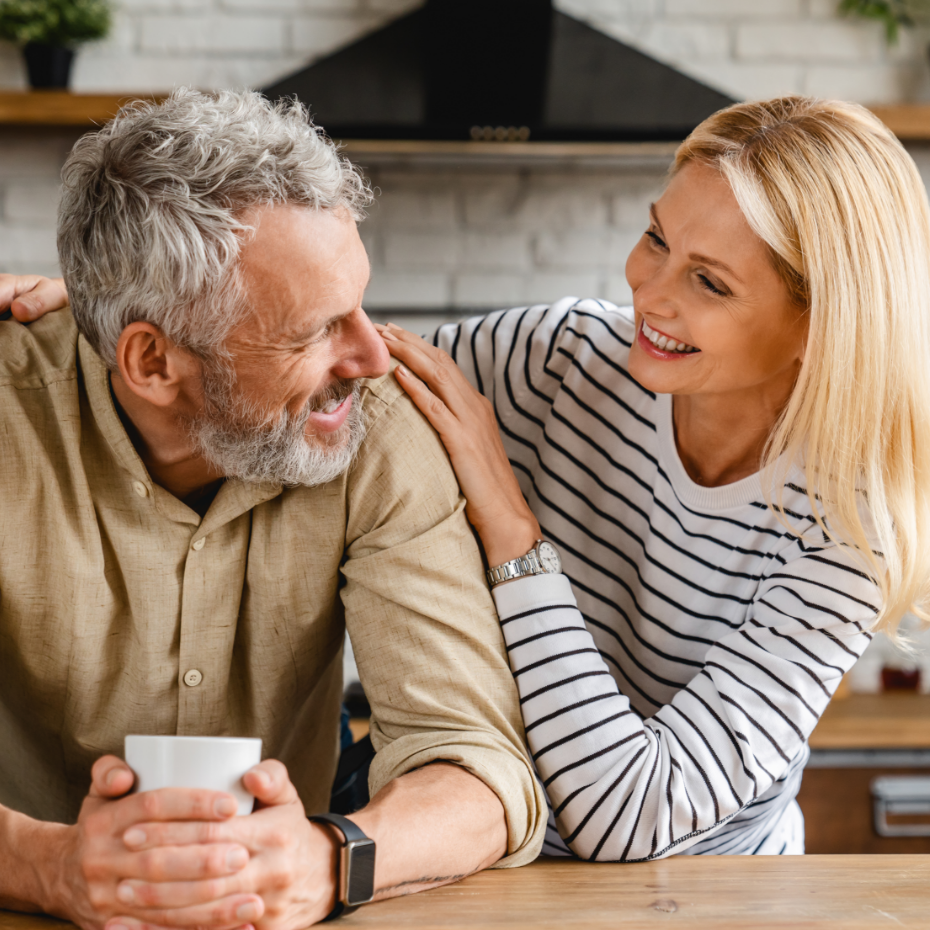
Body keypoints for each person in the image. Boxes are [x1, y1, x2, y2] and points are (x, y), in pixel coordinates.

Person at [11, 96, 930, 861]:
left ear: (822, 323)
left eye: (710, 283)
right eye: (656, 238)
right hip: (487, 873)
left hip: (705, 891)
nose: (649, 294)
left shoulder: (852, 530)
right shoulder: (561, 357)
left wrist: (512, 531)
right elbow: (301, 363)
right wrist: (109, 313)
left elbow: (631, 816)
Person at [0, 87, 546, 930]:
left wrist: (330, 860)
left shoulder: (378, 428)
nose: (372, 356)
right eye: (314, 330)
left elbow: (480, 774)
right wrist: (47, 868)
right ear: (151, 362)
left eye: (360, 304)